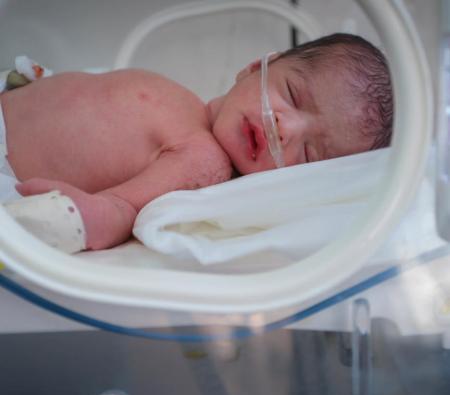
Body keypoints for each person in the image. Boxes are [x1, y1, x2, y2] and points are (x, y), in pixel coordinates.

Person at [0, 33, 393, 252]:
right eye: (291, 93)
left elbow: (117, 209)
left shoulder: (206, 161)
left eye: (307, 153)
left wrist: (77, 216)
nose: (283, 127)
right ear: (256, 67)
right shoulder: (187, 107)